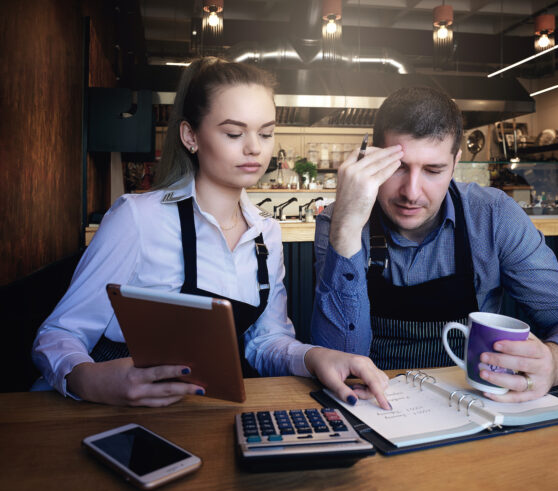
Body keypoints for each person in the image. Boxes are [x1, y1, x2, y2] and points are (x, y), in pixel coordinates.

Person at [31, 57, 389, 409]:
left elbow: (266, 341)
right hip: (109, 414)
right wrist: (90, 379)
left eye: (266, 133)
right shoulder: (139, 219)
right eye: (234, 133)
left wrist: (315, 357)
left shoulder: (267, 234)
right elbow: (59, 334)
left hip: (200, 413)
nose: (254, 147)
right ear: (190, 136)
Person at [311, 86, 558, 403]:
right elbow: (340, 360)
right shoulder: (338, 221)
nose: (411, 192)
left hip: (473, 405)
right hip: (376, 406)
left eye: (433, 170)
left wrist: (556, 363)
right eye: (398, 167)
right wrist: (346, 228)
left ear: (456, 162)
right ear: (369, 157)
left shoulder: (494, 216)